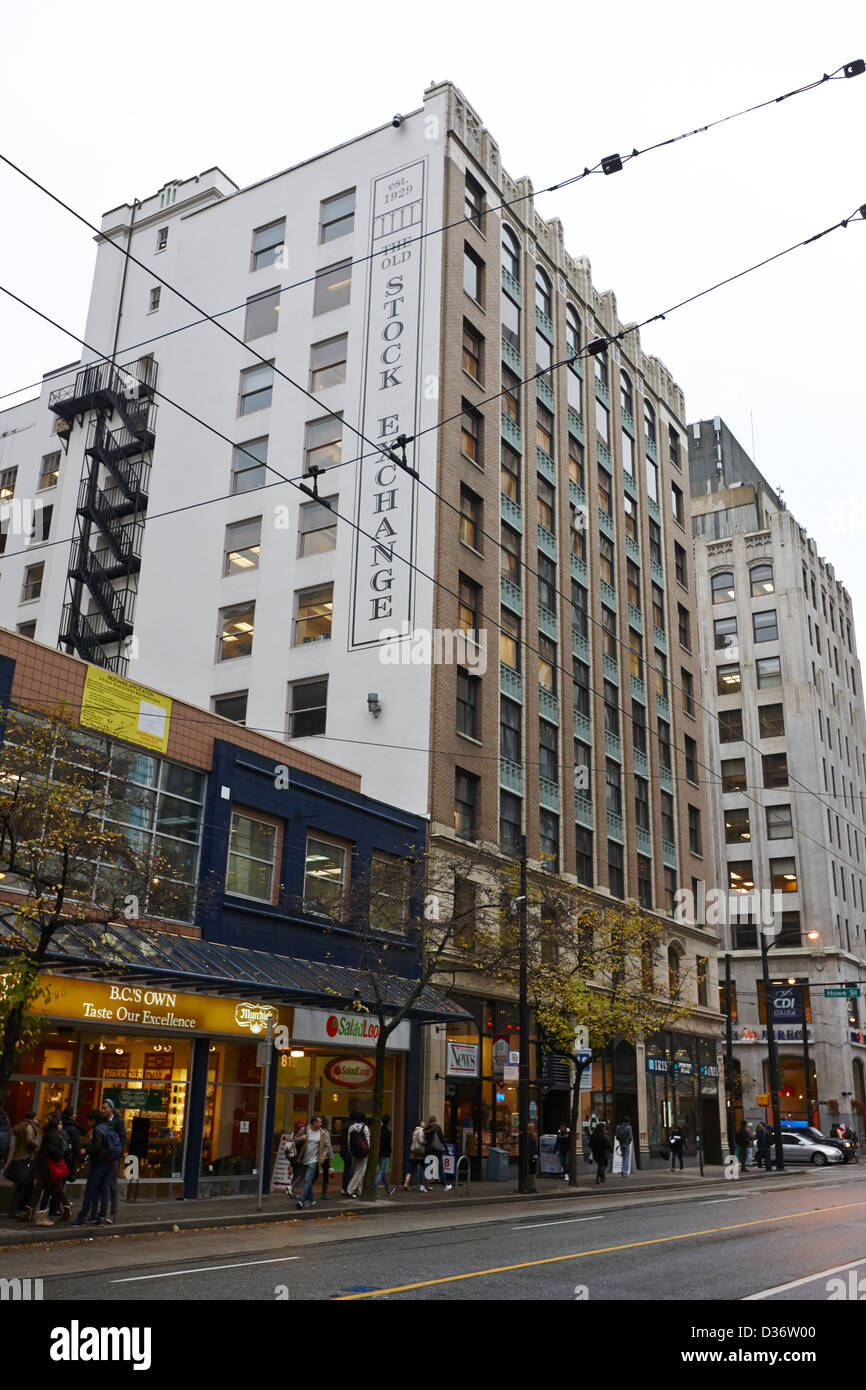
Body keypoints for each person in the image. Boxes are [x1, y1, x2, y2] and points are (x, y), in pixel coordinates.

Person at [27, 1110, 72, 1224]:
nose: (45, 1120)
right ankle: (65, 1210)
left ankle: (36, 1214)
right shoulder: (54, 1134)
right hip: (50, 1166)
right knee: (51, 1188)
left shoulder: (52, 1135)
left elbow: (53, 1153)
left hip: (49, 1166)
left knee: (46, 1188)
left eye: (47, 1118)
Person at [74, 1111, 113, 1227]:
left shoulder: (97, 1130)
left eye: (89, 1120)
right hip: (109, 1163)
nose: (87, 1123)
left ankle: (82, 1217)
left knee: (90, 1191)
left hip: (98, 1164)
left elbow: (96, 1147)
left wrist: (86, 1150)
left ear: (93, 1121)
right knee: (104, 1191)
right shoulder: (108, 1127)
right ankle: (101, 1217)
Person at [4, 1111, 38, 1218]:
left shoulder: (20, 1126)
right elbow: (29, 1140)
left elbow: (14, 1131)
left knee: (22, 1185)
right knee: (23, 1185)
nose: (37, 1121)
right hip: (25, 1159)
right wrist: (37, 1146)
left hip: (17, 1158)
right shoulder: (29, 1127)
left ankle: (16, 1209)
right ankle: (15, 1210)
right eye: (36, 1119)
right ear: (32, 1119)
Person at [294, 1115, 332, 1209]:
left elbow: (327, 1146)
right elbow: (294, 1139)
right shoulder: (304, 1130)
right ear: (314, 1123)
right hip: (304, 1159)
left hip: (314, 1160)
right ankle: (311, 1199)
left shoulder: (322, 1133)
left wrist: (323, 1157)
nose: (321, 1123)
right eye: (319, 1122)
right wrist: (301, 1138)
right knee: (309, 1181)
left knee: (307, 1180)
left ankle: (301, 1200)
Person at [100, 1099, 126, 1225]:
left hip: (112, 1156)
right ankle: (100, 1213)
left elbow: (122, 1138)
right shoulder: (103, 1120)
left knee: (112, 1185)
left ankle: (113, 1213)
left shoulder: (118, 1121)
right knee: (102, 1185)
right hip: (103, 1156)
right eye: (103, 1108)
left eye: (105, 1108)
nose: (103, 1110)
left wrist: (117, 1153)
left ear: (111, 1108)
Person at [422, 1115, 451, 1192]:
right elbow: (442, 1139)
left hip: (428, 1150)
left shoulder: (426, 1129)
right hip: (436, 1151)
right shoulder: (437, 1127)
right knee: (441, 1169)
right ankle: (445, 1186)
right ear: (435, 1120)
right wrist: (446, 1149)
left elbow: (425, 1140)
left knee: (427, 1168)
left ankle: (422, 1186)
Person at [346, 1112, 371, 1197]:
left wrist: (351, 1151)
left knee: (357, 1170)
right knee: (360, 1172)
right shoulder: (365, 1128)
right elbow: (367, 1141)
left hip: (354, 1152)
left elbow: (349, 1140)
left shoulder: (351, 1127)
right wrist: (367, 1151)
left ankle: (359, 1191)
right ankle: (350, 1189)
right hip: (362, 1153)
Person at [374, 1115, 396, 1196]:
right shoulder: (388, 1131)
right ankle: (373, 1188)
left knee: (383, 1173)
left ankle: (388, 1190)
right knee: (381, 1172)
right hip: (385, 1153)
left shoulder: (379, 1130)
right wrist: (390, 1151)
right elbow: (388, 1144)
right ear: (389, 1121)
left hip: (379, 1153)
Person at [340, 1110, 359, 1195]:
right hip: (350, 1151)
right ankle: (349, 1188)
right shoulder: (353, 1127)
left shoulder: (345, 1125)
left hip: (344, 1150)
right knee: (351, 1170)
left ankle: (344, 1188)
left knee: (346, 1170)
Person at [404, 1119, 427, 1190]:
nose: (424, 1123)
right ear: (420, 1124)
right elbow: (421, 1141)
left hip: (414, 1153)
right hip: (420, 1153)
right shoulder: (421, 1131)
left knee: (410, 1169)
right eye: (423, 1122)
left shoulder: (415, 1131)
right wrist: (426, 1142)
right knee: (426, 1169)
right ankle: (427, 1185)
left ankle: (406, 1183)